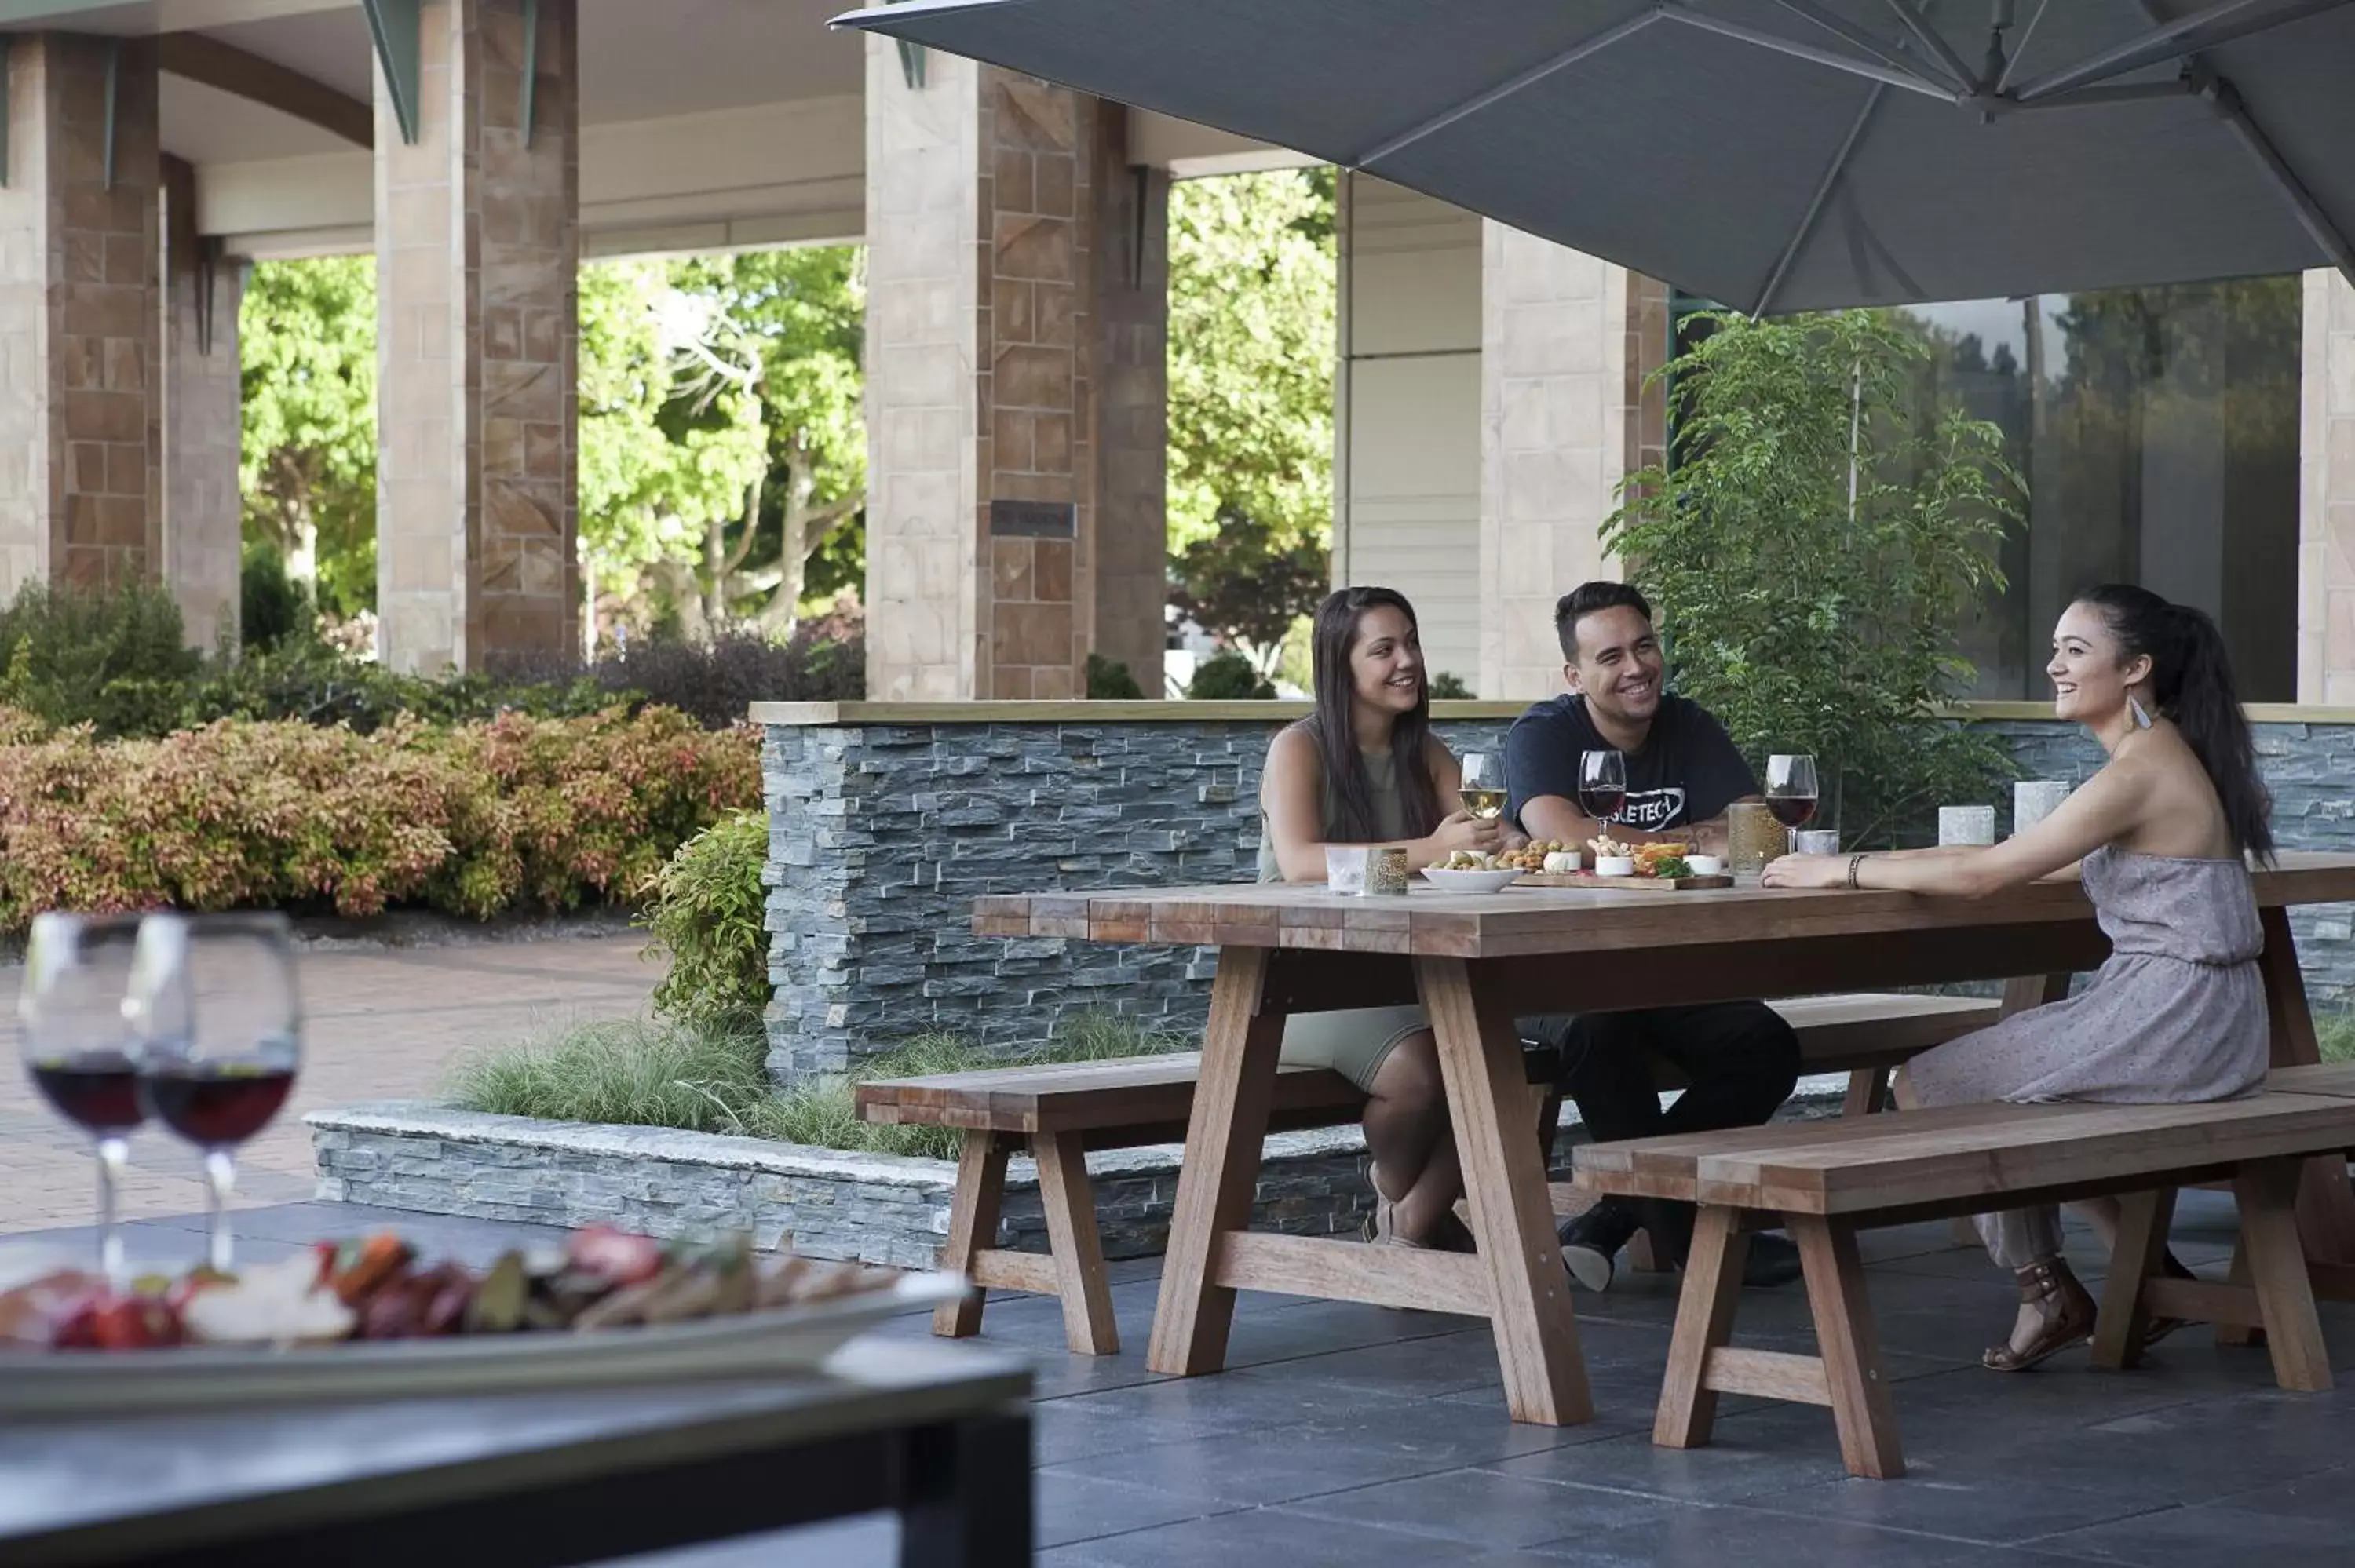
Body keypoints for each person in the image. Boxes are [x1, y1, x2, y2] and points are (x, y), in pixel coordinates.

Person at [1764, 584, 2271, 1372]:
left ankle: (2049, 1292)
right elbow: (2025, 863)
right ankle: (2151, 1275)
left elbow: (1985, 876)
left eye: (2076, 650)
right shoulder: (2158, 756)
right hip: (2201, 1014)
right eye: (2057, 648)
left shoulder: (2138, 771)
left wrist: (1839, 870)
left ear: (2135, 667)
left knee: (1930, 1082)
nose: (2054, 666)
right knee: (2020, 1085)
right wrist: (1874, 866)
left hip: (2180, 1018)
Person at [1506, 582, 1805, 1292]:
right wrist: (1692, 837)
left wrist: (1627, 842)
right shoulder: (1544, 734)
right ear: (1576, 677)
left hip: (1656, 966)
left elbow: (1759, 833)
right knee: (1598, 1031)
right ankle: (1688, 1239)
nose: (1636, 667)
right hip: (1549, 970)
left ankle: (1611, 1220)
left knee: (1766, 1045)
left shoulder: (1688, 725)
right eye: (1611, 656)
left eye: (1644, 646)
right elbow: (1565, 836)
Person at [1260, 586, 1506, 1249]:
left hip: (1402, 974)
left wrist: (1510, 844)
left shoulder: (1424, 750)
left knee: (1505, 1056)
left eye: (1412, 642)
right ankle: (1404, 1202)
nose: (1408, 661)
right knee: (1425, 1069)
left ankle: (1410, 1220)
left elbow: (1490, 834)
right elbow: (1302, 863)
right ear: (1341, 667)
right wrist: (1432, 851)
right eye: (1384, 649)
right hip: (1298, 981)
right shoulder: (1298, 748)